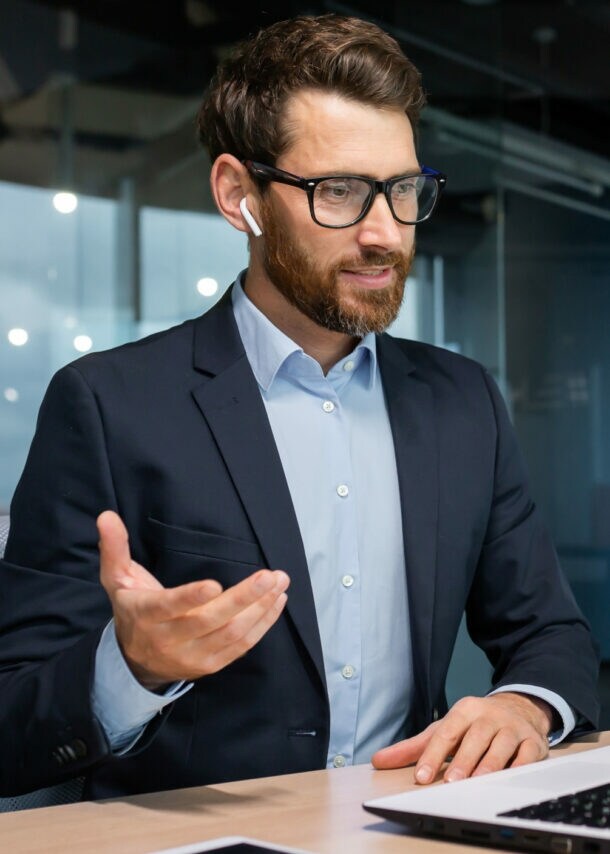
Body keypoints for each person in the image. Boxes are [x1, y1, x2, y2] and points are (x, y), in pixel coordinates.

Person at [0, 14, 599, 801]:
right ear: (238, 194)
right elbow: (15, 716)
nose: (385, 233)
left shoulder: (464, 403)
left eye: (404, 190)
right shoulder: (108, 404)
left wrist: (523, 706)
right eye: (341, 193)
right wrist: (132, 665)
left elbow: (551, 636)